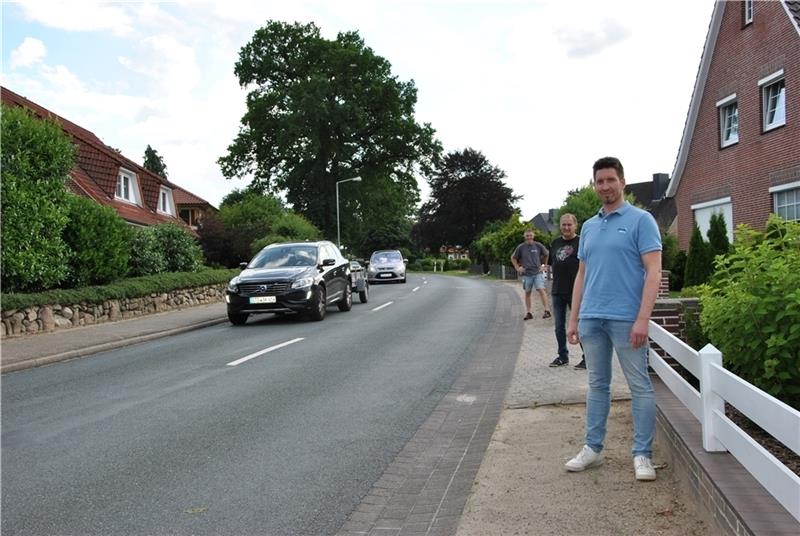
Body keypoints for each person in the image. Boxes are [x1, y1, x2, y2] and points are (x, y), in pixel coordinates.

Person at [565, 156, 662, 481]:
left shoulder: (641, 220)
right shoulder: (589, 226)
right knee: (597, 385)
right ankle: (592, 449)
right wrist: (573, 319)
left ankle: (642, 455)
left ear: (622, 181)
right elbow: (581, 275)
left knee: (640, 386)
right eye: (599, 181)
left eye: (610, 180)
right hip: (592, 318)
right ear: (594, 185)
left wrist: (642, 318)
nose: (604, 186)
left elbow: (653, 271)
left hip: (626, 319)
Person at [547, 213, 586, 369]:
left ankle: (588, 357)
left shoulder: (581, 242)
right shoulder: (555, 243)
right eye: (564, 224)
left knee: (581, 325)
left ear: (575, 226)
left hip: (576, 291)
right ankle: (562, 356)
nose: (566, 227)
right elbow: (551, 263)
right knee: (559, 326)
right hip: (557, 290)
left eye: (569, 225)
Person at [510, 229, 550, 320]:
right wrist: (517, 268)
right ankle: (528, 312)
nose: (529, 237)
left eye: (530, 235)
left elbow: (547, 254)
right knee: (527, 292)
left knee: (541, 289)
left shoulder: (538, 245)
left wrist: (545, 265)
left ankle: (547, 310)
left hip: (537, 273)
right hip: (526, 274)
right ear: (524, 237)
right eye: (527, 236)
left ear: (533, 236)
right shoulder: (521, 247)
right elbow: (513, 258)